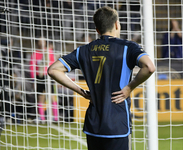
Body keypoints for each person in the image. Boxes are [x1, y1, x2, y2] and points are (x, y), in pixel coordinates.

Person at [48, 6, 155, 150]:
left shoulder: (83, 50)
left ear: (97, 30)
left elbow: (53, 70)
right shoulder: (127, 47)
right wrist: (129, 88)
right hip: (117, 123)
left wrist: (81, 92)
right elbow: (149, 67)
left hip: (94, 123)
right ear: (117, 24)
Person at [30, 37, 58, 123]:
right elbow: (32, 66)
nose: (41, 43)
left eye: (43, 41)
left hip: (48, 76)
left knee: (52, 96)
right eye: (40, 41)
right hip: (40, 76)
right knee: (41, 97)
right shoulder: (35, 54)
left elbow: (53, 63)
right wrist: (33, 79)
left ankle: (56, 117)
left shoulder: (49, 52)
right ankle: (41, 117)